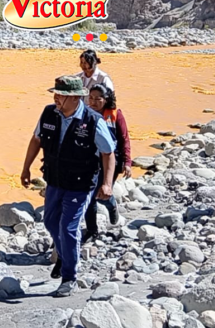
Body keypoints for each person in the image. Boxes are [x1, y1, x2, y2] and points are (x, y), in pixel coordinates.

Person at [21, 75, 115, 297]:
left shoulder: (93, 121)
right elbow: (36, 140)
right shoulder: (48, 113)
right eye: (55, 93)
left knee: (68, 228)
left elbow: (108, 152)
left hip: (80, 185)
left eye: (61, 95)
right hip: (54, 180)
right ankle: (64, 254)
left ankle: (69, 277)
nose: (56, 98)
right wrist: (26, 168)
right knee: (51, 222)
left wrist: (107, 184)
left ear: (75, 98)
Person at [82, 84, 132, 243]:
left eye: (98, 99)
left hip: (111, 161)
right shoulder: (84, 113)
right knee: (89, 196)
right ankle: (92, 230)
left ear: (106, 99)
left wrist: (127, 162)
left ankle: (111, 205)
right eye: (90, 98)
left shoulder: (116, 115)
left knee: (100, 193)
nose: (93, 102)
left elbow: (124, 139)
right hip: (90, 160)